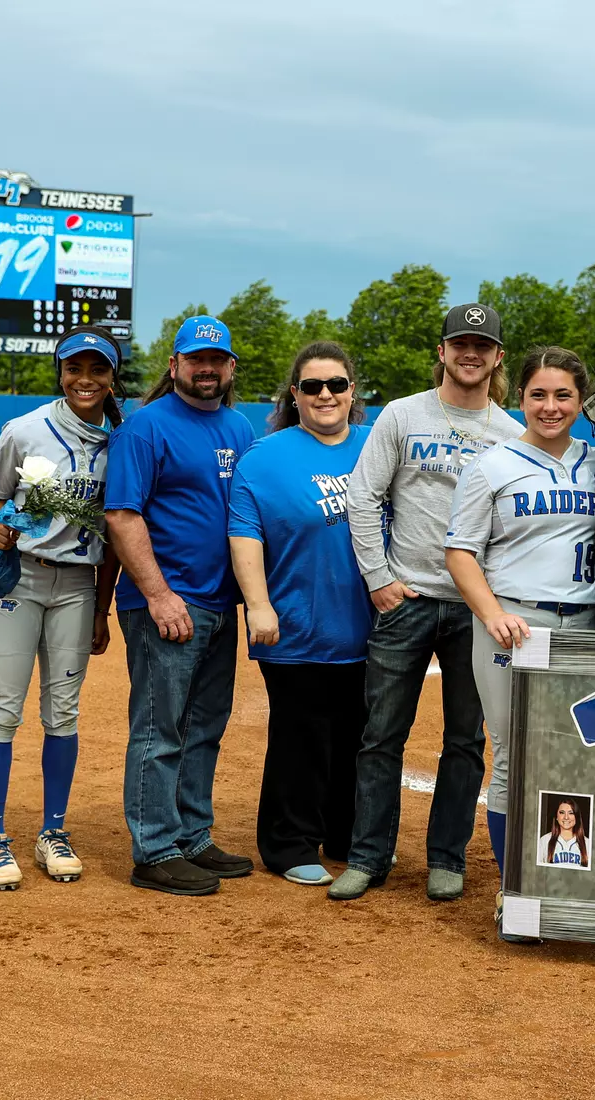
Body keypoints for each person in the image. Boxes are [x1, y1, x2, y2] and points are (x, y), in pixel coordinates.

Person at [328, 303, 523, 904]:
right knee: (381, 733)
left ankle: (446, 858)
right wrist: (378, 578)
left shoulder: (512, 434)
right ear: (442, 351)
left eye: (482, 345)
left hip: (474, 609)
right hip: (405, 597)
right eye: (460, 343)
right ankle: (367, 856)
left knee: (466, 738)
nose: (471, 354)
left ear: (496, 357)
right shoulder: (403, 415)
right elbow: (363, 498)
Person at [105, 315, 256, 896]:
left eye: (217, 360)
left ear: (230, 367)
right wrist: (159, 594)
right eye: (196, 359)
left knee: (203, 727)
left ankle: (192, 835)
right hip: (167, 603)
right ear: (175, 366)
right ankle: (154, 848)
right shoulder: (145, 428)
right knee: (158, 728)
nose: (207, 369)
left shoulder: (240, 428)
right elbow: (121, 514)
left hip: (220, 603)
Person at [0, 326, 123, 890]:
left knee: (63, 713)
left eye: (98, 370)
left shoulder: (122, 440)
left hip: (79, 588)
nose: (85, 380)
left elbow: (118, 532)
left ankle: (52, 832)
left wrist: (103, 611)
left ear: (112, 377)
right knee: (4, 709)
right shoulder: (25, 430)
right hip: (20, 580)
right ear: (60, 373)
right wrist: (2, 526)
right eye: (74, 369)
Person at [444, 346, 595, 882]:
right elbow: (461, 551)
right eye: (538, 395)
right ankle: (517, 888)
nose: (550, 406)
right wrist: (491, 614)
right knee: (514, 753)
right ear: (520, 398)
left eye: (563, 395)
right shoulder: (492, 464)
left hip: (585, 623)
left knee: (581, 753)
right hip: (514, 623)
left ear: (581, 401)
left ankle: (564, 879)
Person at [227, 341, 372, 887]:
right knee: (302, 735)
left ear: (352, 391)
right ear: (295, 394)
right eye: (312, 386)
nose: (325, 395)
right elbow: (245, 537)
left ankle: (346, 835)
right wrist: (259, 606)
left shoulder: (374, 446)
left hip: (369, 625)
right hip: (296, 623)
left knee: (358, 734)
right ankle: (288, 843)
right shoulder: (265, 457)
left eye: (336, 384)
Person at [537, 798, 590, 869]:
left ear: (576, 817)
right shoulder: (544, 840)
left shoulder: (587, 843)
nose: (566, 817)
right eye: (562, 812)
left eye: (571, 813)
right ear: (556, 817)